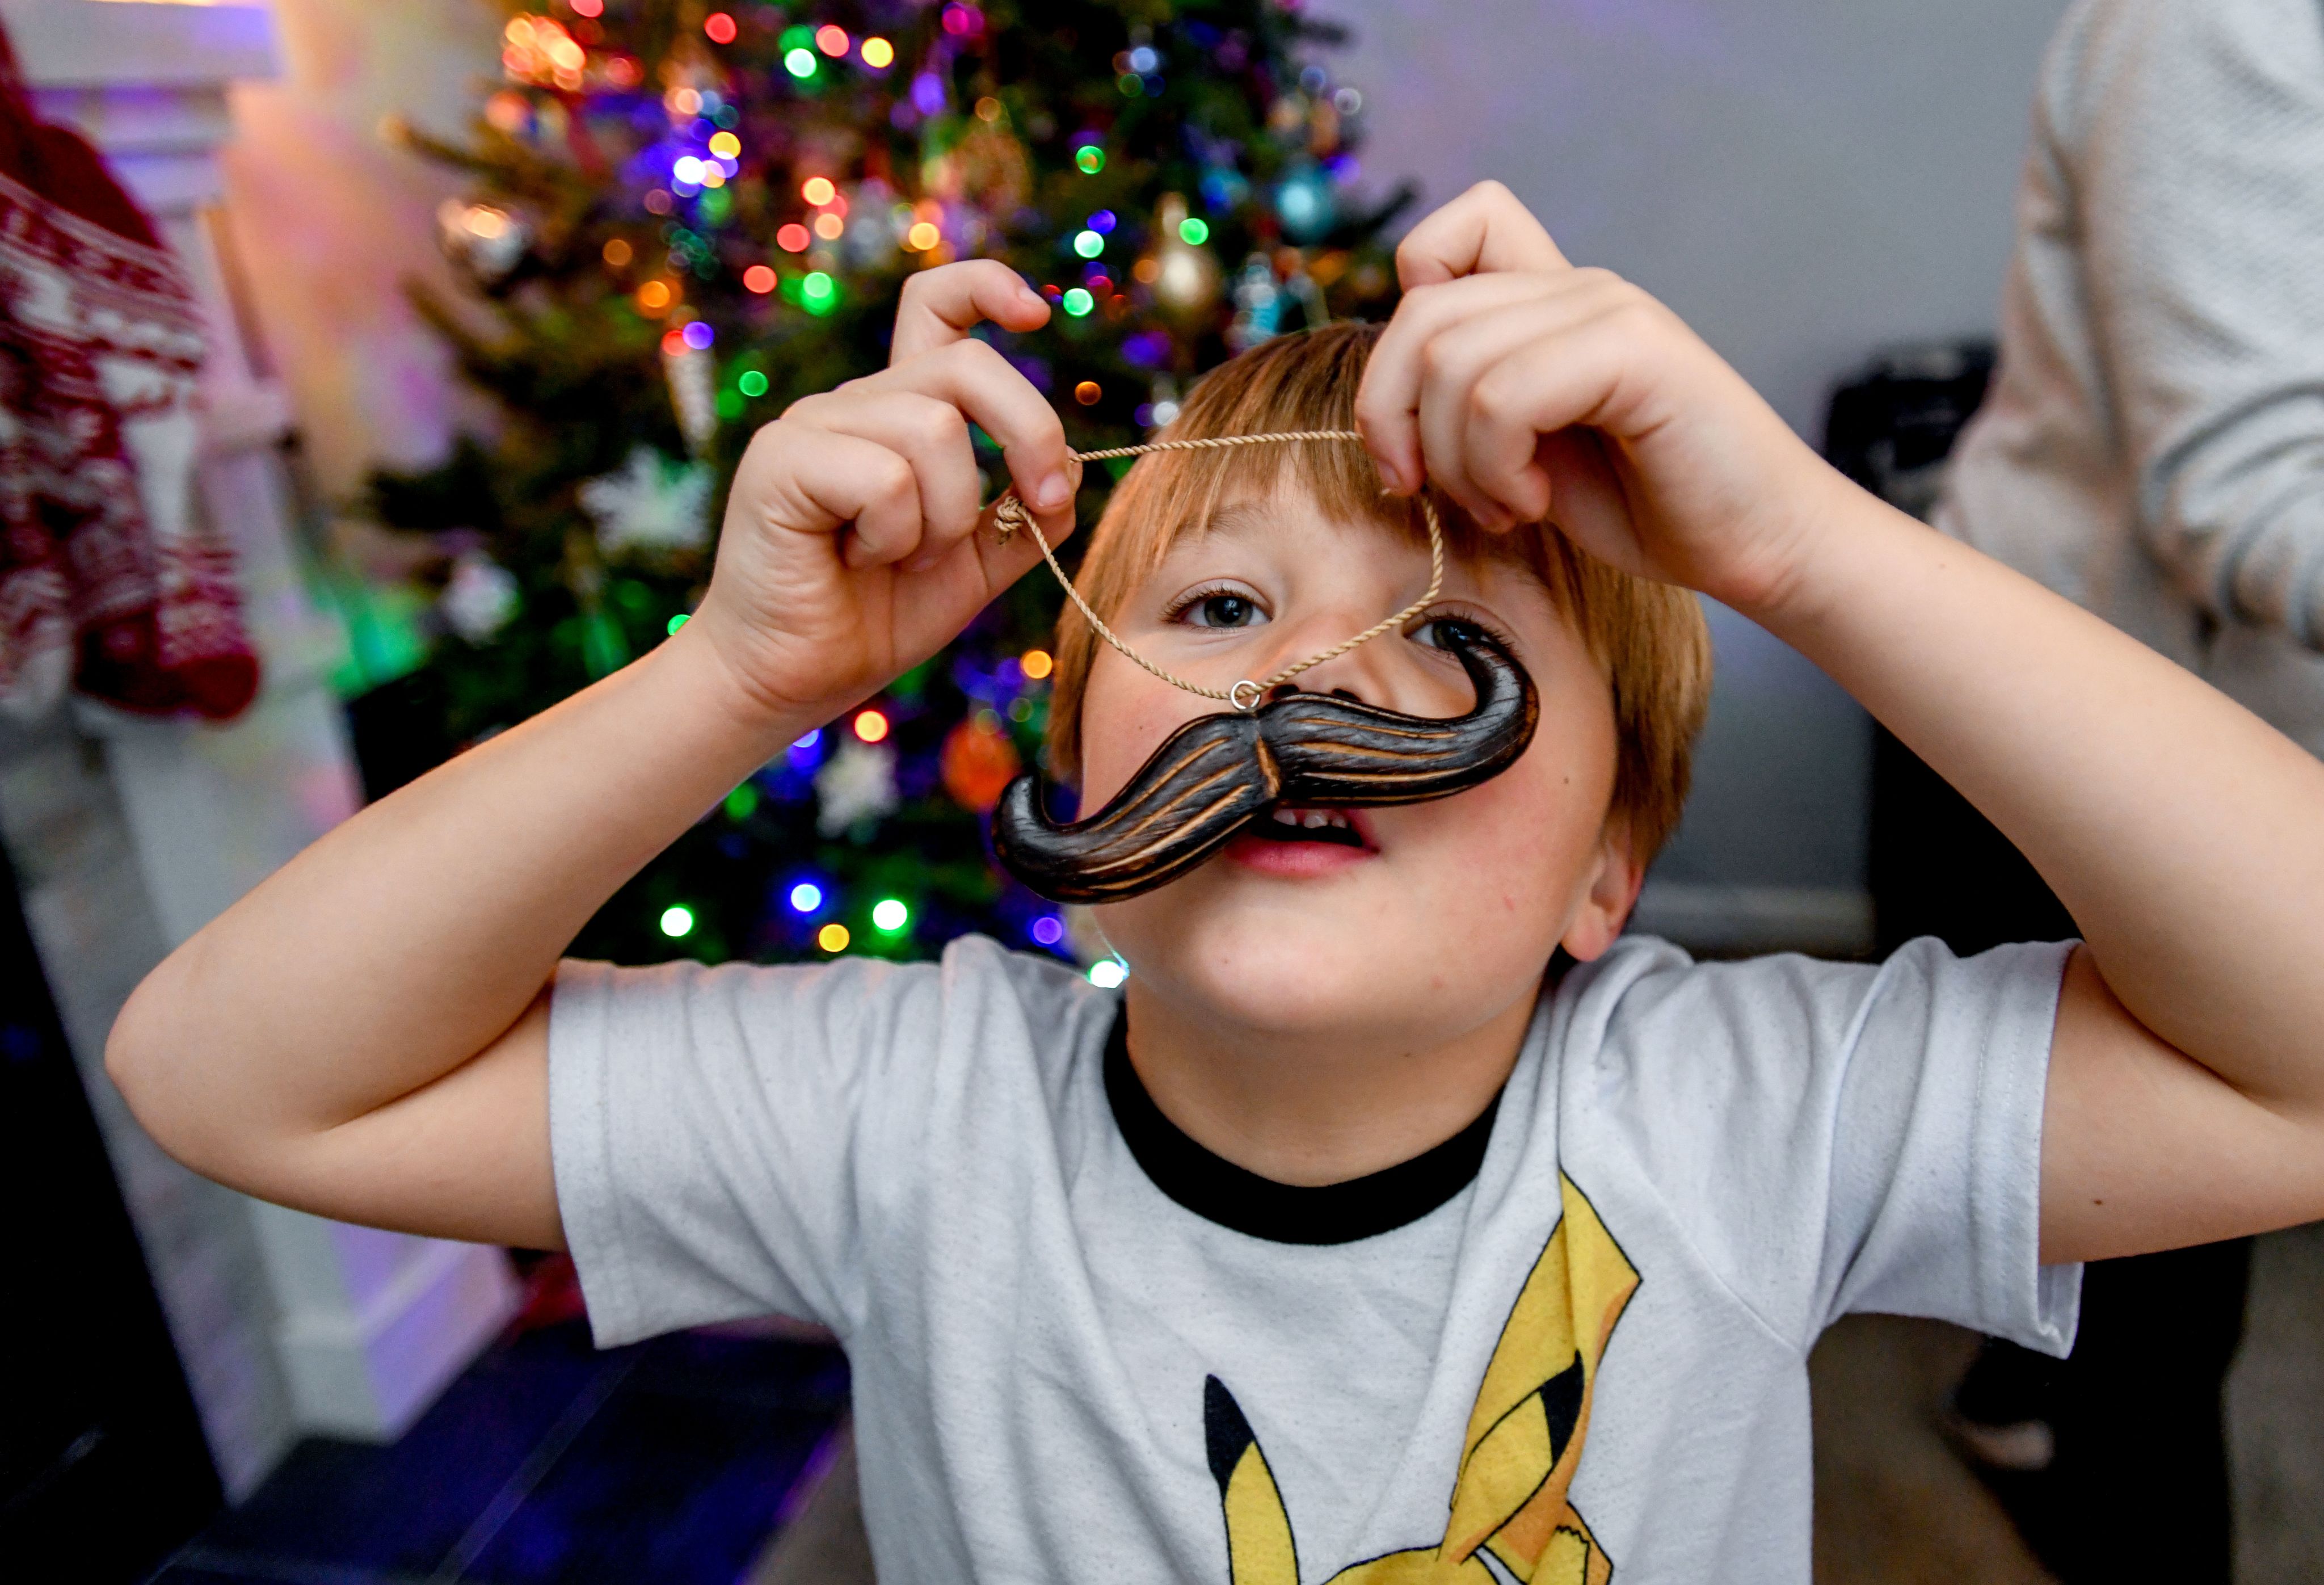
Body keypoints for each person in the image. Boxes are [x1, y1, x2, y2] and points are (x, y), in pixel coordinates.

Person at [105, 184, 2324, 1583]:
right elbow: (237, 1084)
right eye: (1221, 617)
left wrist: (1798, 551)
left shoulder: (1743, 1107)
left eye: (1441, 639)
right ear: (1069, 785)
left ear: (1606, 875)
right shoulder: (914, 1111)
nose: (1301, 694)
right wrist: (732, 675)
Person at [1877, 2, 2324, 1575]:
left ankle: (2016, 1392)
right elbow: (2243, 480)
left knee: (2099, 1262)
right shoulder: (2218, 29)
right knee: (2157, 1325)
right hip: (2085, 735)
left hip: (2231, 726)